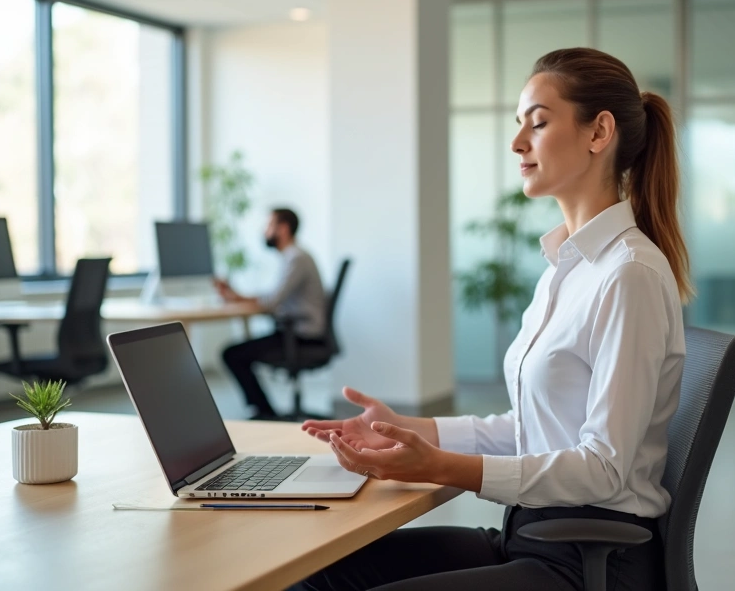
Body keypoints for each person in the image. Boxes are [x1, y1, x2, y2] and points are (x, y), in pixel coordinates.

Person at [294, 47, 693, 591]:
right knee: (316, 575)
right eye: (518, 124)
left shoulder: (629, 274)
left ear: (599, 132)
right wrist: (406, 428)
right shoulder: (566, 268)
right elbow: (532, 429)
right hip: (531, 535)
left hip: (589, 563)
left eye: (539, 123)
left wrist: (439, 465)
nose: (517, 142)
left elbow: (604, 469)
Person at [216, 207, 326, 420]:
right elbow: (273, 298)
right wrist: (237, 296)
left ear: (283, 228)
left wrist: (237, 297)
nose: (264, 231)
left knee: (232, 354)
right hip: (296, 331)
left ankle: (264, 412)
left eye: (268, 226)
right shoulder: (293, 257)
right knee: (236, 352)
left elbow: (272, 302)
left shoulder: (297, 258)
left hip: (300, 335)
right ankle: (263, 409)